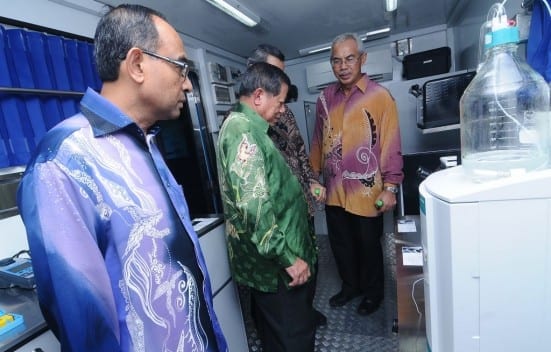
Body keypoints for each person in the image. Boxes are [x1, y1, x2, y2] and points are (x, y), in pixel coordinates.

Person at [17, 5, 227, 351]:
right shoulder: (64, 159)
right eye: (181, 67)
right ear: (137, 64)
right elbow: (83, 322)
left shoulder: (144, 141)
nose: (188, 84)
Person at [217, 62, 318, 352]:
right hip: (276, 269)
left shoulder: (252, 128)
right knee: (292, 339)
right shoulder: (242, 132)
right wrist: (287, 257)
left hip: (279, 263)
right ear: (259, 96)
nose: (284, 109)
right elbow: (254, 209)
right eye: (281, 102)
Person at [309, 32, 404, 316]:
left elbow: (391, 143)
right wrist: (314, 177)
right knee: (341, 245)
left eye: (350, 58)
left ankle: (373, 293)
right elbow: (318, 140)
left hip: (368, 191)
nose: (343, 66)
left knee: (368, 247)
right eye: (336, 61)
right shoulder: (325, 99)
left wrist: (391, 186)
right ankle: (351, 287)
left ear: (362, 59)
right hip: (334, 190)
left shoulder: (380, 97)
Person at [243, 44, 327, 327]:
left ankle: (306, 311)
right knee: (283, 281)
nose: (282, 82)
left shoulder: (285, 113)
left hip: (301, 203)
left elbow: (300, 152)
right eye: (275, 73)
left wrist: (312, 182)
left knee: (310, 262)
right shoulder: (245, 126)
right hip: (276, 219)